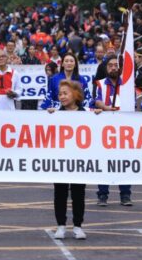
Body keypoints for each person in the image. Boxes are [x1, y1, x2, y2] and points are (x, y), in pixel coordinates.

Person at [48, 80, 98, 240]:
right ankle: (61, 225)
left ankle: (78, 226)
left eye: (65, 93)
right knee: (60, 193)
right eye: (60, 94)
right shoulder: (55, 113)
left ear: (76, 94)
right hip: (60, 160)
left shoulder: (87, 114)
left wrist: (99, 115)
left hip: (79, 160)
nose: (62, 97)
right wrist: (48, 115)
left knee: (78, 193)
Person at [94, 54, 131, 206]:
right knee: (104, 162)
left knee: (124, 163)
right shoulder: (100, 84)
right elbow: (96, 101)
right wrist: (106, 108)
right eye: (111, 65)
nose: (114, 67)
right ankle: (103, 194)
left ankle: (125, 195)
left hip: (124, 130)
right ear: (106, 68)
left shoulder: (128, 84)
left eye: (116, 65)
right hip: (105, 130)